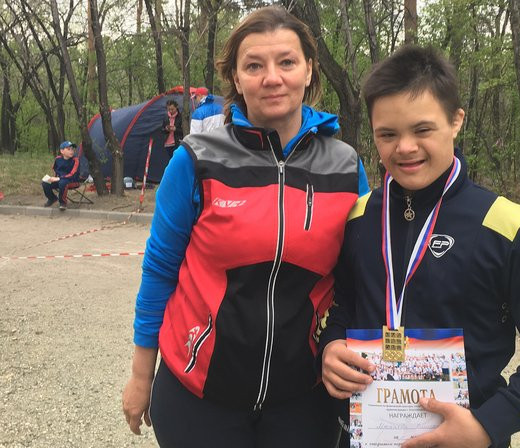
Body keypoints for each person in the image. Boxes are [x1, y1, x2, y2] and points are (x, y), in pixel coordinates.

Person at [319, 45, 520, 448]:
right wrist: (330, 347)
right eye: (388, 134)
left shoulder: (505, 225)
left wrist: (490, 424)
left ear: (456, 121)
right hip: (366, 435)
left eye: (422, 130)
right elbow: (342, 306)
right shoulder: (359, 216)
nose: (405, 147)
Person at [122, 5, 370, 447]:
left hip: (304, 398)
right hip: (198, 395)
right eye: (254, 66)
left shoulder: (346, 167)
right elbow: (160, 271)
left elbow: (359, 279)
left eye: (286, 62)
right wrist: (142, 376)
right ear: (236, 79)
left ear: (309, 70)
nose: (272, 78)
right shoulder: (196, 160)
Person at [41, 141, 80, 210]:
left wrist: (59, 178)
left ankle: (63, 202)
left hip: (73, 181)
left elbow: (72, 174)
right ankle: (52, 198)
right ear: (62, 151)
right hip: (60, 180)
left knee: (63, 182)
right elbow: (55, 169)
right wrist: (53, 178)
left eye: (72, 149)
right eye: (68, 149)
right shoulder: (58, 159)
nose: (71, 151)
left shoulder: (75, 160)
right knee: (45, 182)